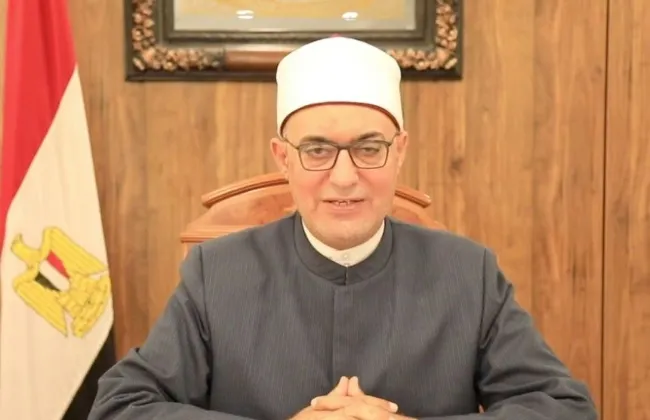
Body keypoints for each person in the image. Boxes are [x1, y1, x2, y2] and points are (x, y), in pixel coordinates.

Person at [88, 36, 598, 420]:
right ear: (282, 158)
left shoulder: (468, 273)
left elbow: (565, 408)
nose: (345, 177)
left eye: (369, 148)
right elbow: (121, 406)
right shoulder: (216, 273)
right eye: (317, 150)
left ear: (399, 152)